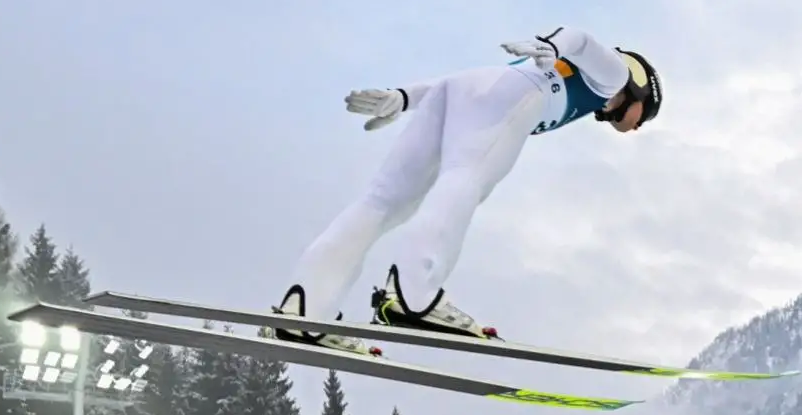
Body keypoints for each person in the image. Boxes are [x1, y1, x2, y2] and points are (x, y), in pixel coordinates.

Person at [264, 26, 660, 354]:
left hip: (461, 90)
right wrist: (553, 43)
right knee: (465, 180)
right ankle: (413, 296)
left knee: (383, 201)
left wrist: (405, 98)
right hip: (511, 98)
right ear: (643, 88)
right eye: (648, 114)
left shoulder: (572, 77)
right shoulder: (613, 77)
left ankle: (305, 307)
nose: (639, 126)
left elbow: (463, 83)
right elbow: (583, 40)